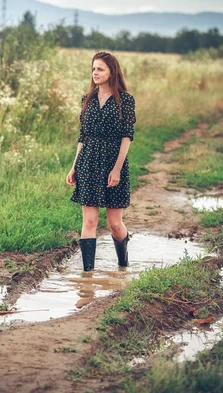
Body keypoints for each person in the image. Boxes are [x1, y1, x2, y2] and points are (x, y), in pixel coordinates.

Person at [66, 52, 136, 272]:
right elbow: (83, 136)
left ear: (112, 72)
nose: (95, 73)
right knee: (89, 222)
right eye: (93, 69)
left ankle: (123, 265)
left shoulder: (125, 100)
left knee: (115, 224)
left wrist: (116, 169)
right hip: (88, 162)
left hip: (113, 163)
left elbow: (127, 136)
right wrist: (74, 166)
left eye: (100, 69)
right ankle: (88, 276)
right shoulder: (86, 99)